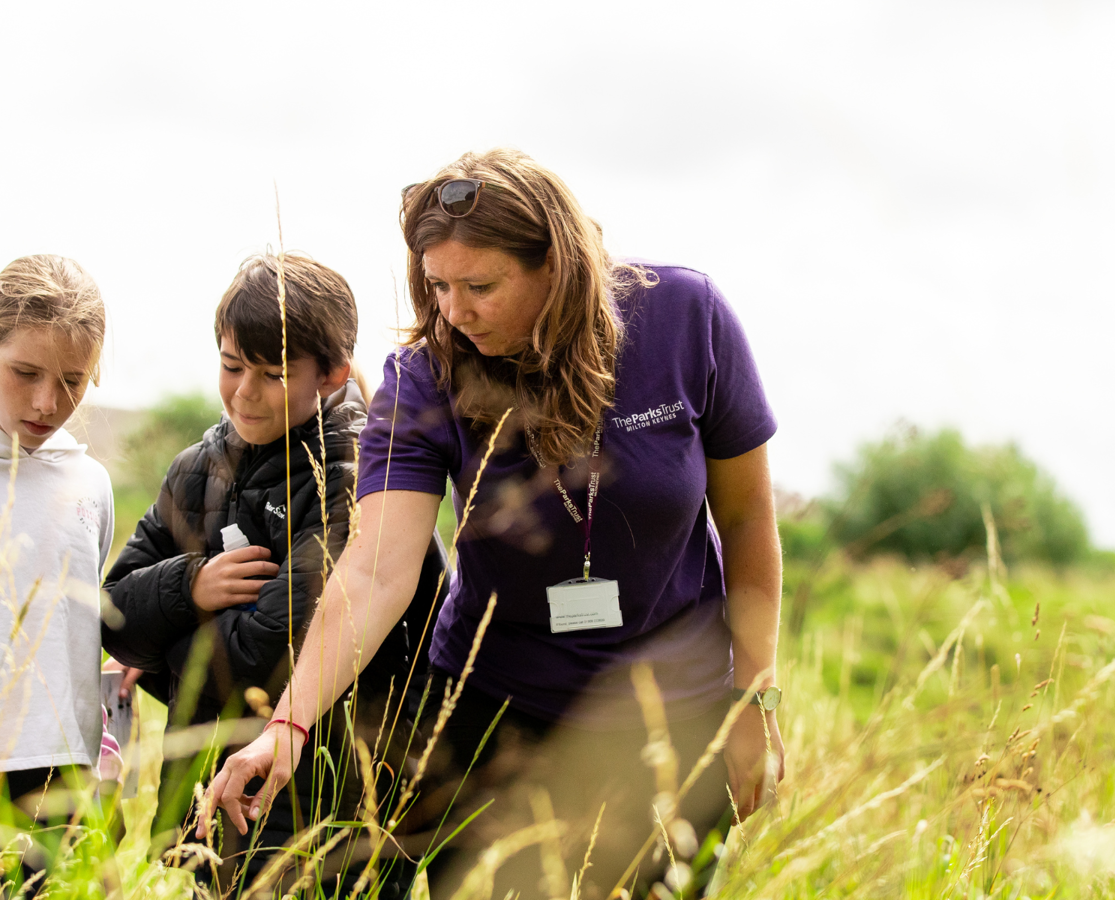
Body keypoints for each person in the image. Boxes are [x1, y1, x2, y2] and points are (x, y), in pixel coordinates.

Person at [201, 150, 785, 897]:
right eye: (437, 285)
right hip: (498, 715)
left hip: (676, 711)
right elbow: (378, 569)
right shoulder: (425, 377)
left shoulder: (686, 316)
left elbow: (745, 517)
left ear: (558, 267)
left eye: (480, 286)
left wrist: (754, 697)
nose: (453, 310)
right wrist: (288, 724)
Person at [100, 253, 447, 890]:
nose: (245, 392)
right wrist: (191, 584)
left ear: (333, 374)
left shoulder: (361, 479)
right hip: (201, 793)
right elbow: (112, 615)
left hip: (324, 804)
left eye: (273, 373)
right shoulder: (197, 465)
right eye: (232, 367)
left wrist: (165, 634)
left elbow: (272, 658)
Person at [0, 254, 117, 883]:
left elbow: (79, 626)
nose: (48, 403)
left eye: (74, 381)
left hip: (64, 775)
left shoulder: (88, 481)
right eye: (25, 373)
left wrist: (104, 746)